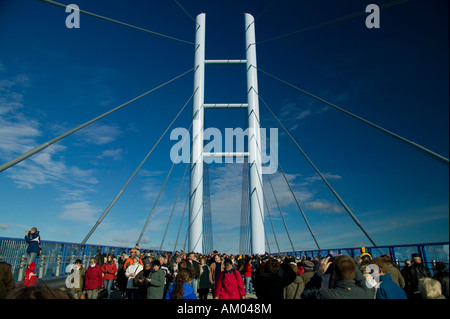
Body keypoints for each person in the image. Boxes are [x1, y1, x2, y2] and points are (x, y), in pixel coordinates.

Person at [301, 255, 376, 299]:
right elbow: (362, 281)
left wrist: (319, 274)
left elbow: (305, 294)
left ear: (335, 274)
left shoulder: (326, 294)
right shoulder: (367, 292)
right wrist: (346, 261)